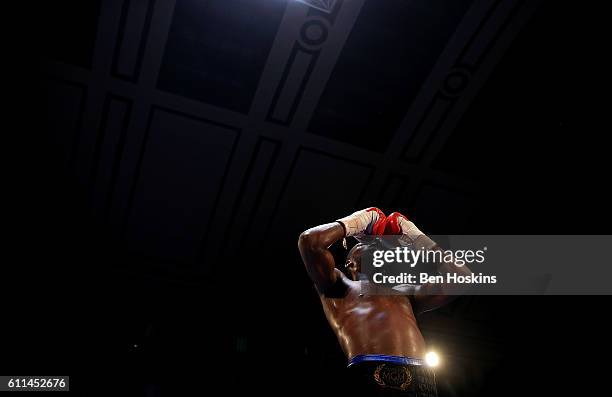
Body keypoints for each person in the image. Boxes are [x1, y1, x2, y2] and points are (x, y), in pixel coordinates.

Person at [298, 208, 472, 396]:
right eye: (365, 243)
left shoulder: (407, 293)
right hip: (370, 371)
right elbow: (309, 242)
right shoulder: (339, 287)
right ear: (350, 263)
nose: (376, 243)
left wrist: (416, 236)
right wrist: (357, 222)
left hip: (423, 380)